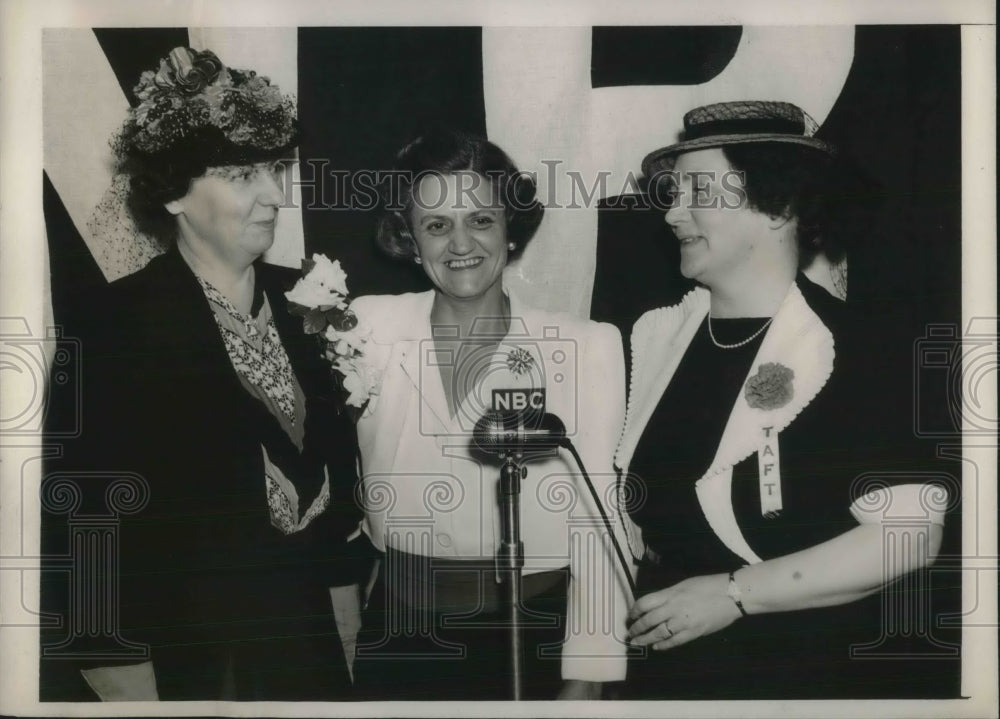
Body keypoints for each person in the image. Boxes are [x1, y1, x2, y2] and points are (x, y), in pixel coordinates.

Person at [40, 47, 362, 701]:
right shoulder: (112, 324)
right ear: (176, 191)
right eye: (246, 173)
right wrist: (119, 673)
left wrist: (345, 611)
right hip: (187, 656)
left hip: (310, 644)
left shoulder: (308, 301)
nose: (276, 193)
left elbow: (330, 479)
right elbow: (83, 515)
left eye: (276, 168)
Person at [615, 101, 950, 699]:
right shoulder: (653, 336)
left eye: (697, 190)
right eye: (672, 192)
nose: (671, 212)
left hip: (801, 673)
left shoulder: (868, 349)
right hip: (668, 677)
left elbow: (910, 537)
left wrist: (736, 593)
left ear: (777, 208)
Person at [347, 130, 632, 700]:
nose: (460, 244)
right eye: (436, 225)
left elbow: (599, 521)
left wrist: (588, 674)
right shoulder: (364, 327)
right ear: (410, 238)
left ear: (510, 228)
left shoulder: (585, 344)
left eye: (480, 220)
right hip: (401, 630)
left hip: (533, 630)